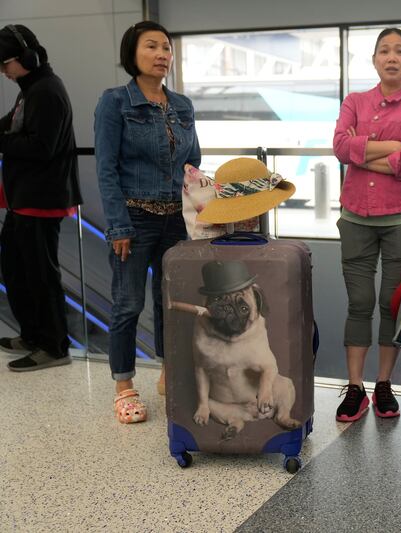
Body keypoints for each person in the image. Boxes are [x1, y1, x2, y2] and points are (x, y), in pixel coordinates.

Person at [95, 21, 201, 424]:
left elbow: (193, 163)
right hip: (134, 219)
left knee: (172, 304)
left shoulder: (182, 105)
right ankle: (124, 386)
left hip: (176, 221)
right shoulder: (115, 102)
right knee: (128, 303)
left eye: (167, 48)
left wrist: (201, 210)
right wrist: (118, 226)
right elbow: (106, 169)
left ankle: (169, 374)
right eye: (152, 46)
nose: (162, 54)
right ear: (132, 53)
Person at [332, 27, 401, 422]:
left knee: (392, 305)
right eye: (385, 51)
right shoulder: (355, 101)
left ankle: (384, 385)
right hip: (355, 216)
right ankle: (355, 387)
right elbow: (340, 146)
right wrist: (392, 148)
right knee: (359, 303)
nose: (392, 57)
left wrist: (364, 153)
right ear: (374, 60)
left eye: (400, 51)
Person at [0, 24, 82, 371]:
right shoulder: (30, 89)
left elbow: (41, 147)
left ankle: (54, 346)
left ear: (26, 58)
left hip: (41, 199)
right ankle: (33, 334)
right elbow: (12, 125)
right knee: (17, 270)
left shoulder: (46, 91)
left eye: (5, 64)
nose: (3, 71)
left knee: (40, 274)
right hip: (24, 198)